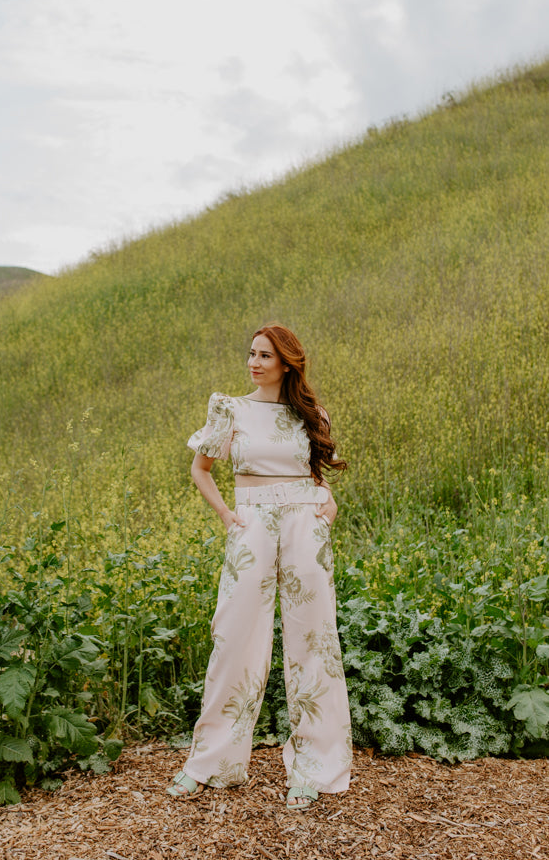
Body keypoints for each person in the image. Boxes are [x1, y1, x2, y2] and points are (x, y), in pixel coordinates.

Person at [167, 324, 352, 810]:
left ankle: (314, 767)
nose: (253, 362)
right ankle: (210, 762)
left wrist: (327, 501)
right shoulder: (230, 408)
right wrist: (228, 515)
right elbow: (200, 470)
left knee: (314, 642)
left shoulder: (311, 414)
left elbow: (316, 475)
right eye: (251, 353)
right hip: (251, 525)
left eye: (265, 355)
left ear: (287, 363)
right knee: (234, 637)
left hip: (303, 528)